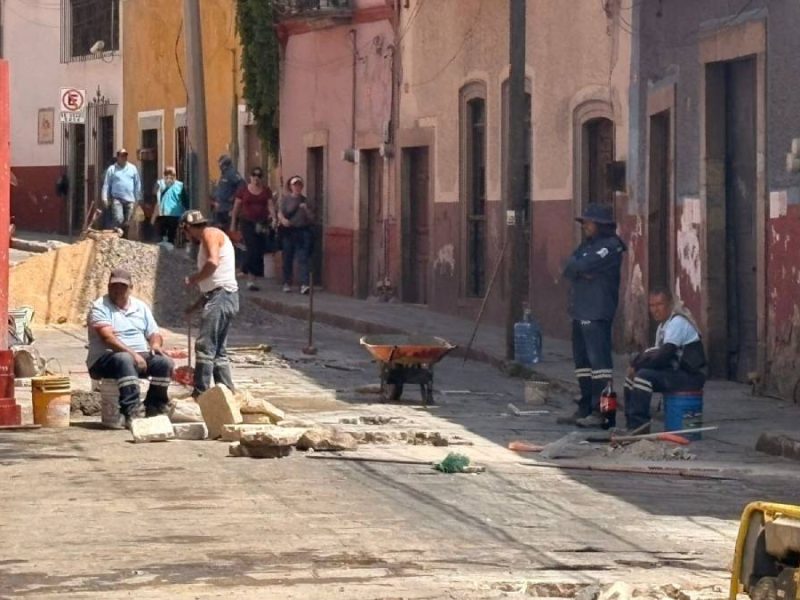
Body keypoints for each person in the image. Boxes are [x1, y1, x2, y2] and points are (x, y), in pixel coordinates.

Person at [561, 203, 626, 428]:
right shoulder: (587, 245)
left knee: (601, 367)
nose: (585, 227)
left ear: (600, 225)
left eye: (588, 222)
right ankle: (585, 407)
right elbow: (570, 266)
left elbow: (584, 264)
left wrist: (582, 269)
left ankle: (605, 413)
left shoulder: (611, 246)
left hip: (597, 311)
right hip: (579, 310)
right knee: (582, 364)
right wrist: (582, 271)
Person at [86, 268, 174, 428]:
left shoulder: (140, 307)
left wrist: (155, 344)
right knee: (124, 359)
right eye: (114, 286)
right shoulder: (99, 307)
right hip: (104, 360)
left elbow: (154, 332)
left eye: (123, 286)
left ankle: (155, 405)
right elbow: (108, 338)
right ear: (108, 287)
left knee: (164, 362)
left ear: (131, 287)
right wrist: (134, 355)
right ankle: (132, 410)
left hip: (137, 357)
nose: (118, 290)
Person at [624, 288, 707, 433]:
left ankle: (640, 427)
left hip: (691, 376)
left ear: (669, 304)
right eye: (652, 306)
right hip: (676, 373)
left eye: (659, 305)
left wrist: (638, 368)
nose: (655, 310)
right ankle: (631, 424)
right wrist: (635, 365)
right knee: (630, 380)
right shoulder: (662, 327)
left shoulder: (677, 322)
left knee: (643, 376)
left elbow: (663, 357)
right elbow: (656, 354)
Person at [181, 209, 239, 397]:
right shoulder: (209, 236)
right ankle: (227, 393)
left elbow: (213, 264)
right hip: (223, 295)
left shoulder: (210, 234)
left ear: (188, 227)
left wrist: (194, 279)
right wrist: (195, 305)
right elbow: (212, 285)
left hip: (222, 296)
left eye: (185, 232)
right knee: (219, 351)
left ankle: (201, 393)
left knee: (205, 346)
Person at [231, 167, 273, 291]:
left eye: (259, 176)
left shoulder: (266, 191)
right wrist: (233, 223)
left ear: (262, 178)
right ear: (250, 177)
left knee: (259, 250)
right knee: (252, 248)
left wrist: (274, 217)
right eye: (254, 175)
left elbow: (270, 205)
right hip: (247, 222)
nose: (256, 178)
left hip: (262, 223)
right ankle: (248, 276)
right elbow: (236, 208)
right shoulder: (243, 190)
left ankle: (251, 276)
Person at [277, 175, 315, 294]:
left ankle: (304, 284)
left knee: (303, 258)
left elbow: (312, 218)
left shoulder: (306, 200)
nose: (297, 187)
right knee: (287, 257)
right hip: (289, 231)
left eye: (299, 185)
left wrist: (306, 210)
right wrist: (283, 220)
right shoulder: (286, 199)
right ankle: (287, 282)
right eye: (295, 185)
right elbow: (280, 212)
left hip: (302, 231)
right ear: (290, 186)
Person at [101, 148, 142, 237]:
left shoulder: (132, 168)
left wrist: (138, 198)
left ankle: (124, 238)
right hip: (117, 199)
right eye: (122, 155)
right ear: (118, 157)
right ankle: (118, 236)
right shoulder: (112, 169)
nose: (124, 157)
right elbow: (106, 184)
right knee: (119, 219)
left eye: (125, 155)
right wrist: (104, 197)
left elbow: (137, 183)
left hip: (130, 199)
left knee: (128, 222)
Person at [152, 167, 187, 244]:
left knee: (171, 234)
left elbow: (184, 199)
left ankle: (169, 248)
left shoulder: (180, 185)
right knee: (164, 234)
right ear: (164, 175)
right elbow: (155, 192)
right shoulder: (160, 183)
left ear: (175, 175)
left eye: (172, 175)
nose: (170, 176)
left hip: (174, 213)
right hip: (164, 213)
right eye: (167, 174)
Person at [211, 154, 244, 231]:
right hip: (220, 208)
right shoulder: (224, 175)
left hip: (228, 208)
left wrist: (234, 197)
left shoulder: (232, 173)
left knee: (229, 230)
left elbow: (242, 185)